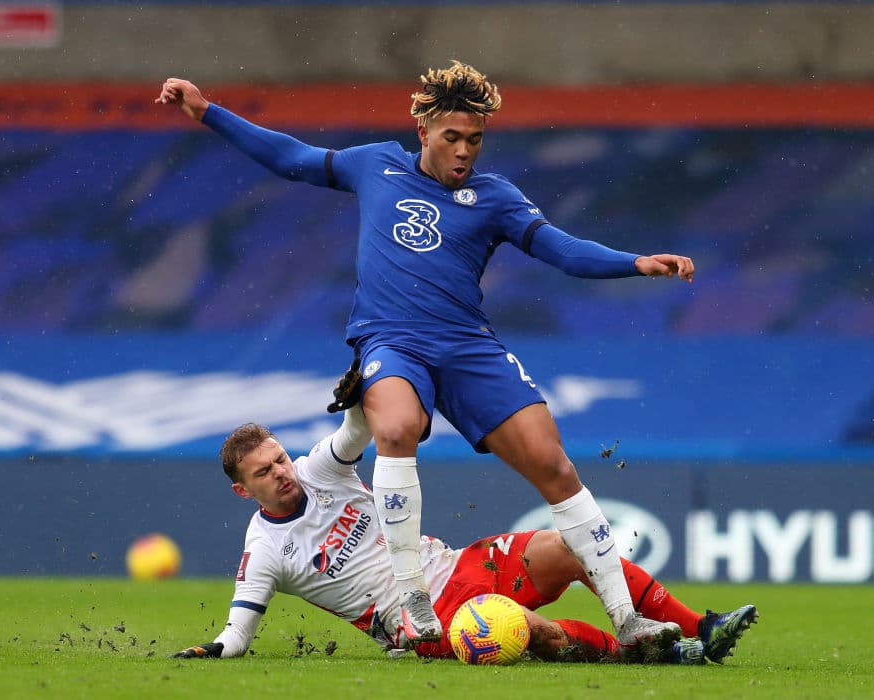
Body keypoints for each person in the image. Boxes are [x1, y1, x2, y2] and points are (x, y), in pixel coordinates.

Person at [156, 61, 697, 651]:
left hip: (466, 343)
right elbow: (292, 157)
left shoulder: (495, 197)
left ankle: (628, 620)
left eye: (475, 140)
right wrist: (207, 112)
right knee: (397, 426)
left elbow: (560, 250)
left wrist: (633, 262)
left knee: (554, 465)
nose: (464, 151)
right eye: (452, 138)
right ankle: (414, 599)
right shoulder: (375, 164)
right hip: (391, 339)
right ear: (424, 132)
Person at [171, 410, 757, 664]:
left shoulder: (319, 468)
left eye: (278, 458)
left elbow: (355, 430)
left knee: (571, 544)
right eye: (264, 472)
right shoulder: (267, 553)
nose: (282, 472)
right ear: (243, 492)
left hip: (459, 565)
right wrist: (212, 650)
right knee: (530, 631)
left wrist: (360, 384)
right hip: (422, 622)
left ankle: (698, 626)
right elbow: (237, 632)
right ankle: (646, 656)